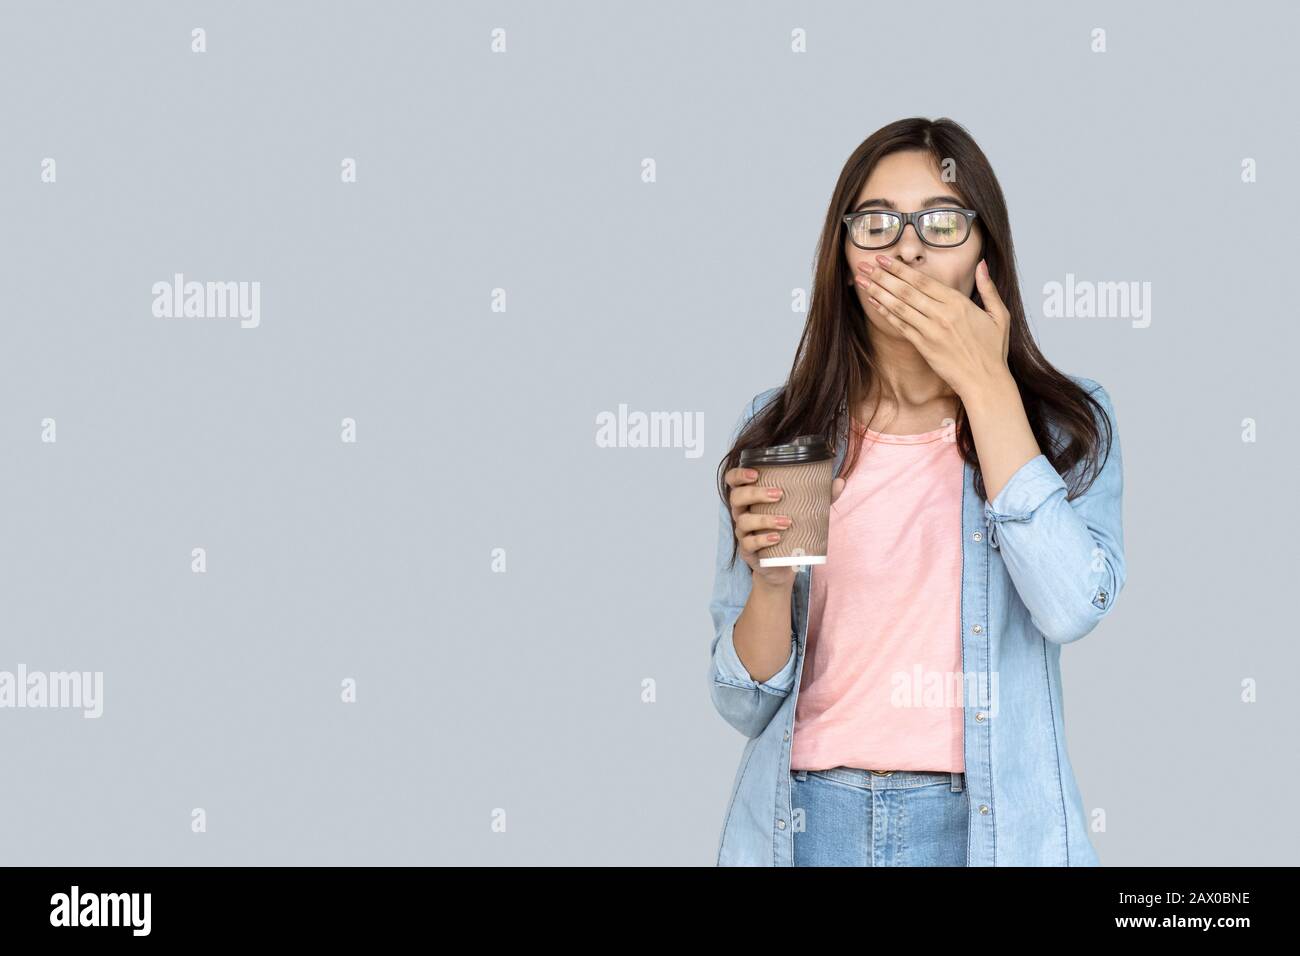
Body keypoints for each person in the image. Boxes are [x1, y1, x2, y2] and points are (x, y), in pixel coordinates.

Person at [710, 117, 1126, 866]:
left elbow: (1070, 607)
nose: (906, 248)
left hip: (984, 830)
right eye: (876, 224)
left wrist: (987, 385)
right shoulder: (784, 430)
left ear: (984, 258)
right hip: (809, 822)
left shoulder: (1063, 426)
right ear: (842, 260)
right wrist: (770, 586)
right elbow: (745, 703)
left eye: (941, 223)